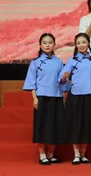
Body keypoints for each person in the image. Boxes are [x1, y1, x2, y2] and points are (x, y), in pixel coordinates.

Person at [24, 33, 65, 165]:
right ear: (40, 45)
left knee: (55, 126)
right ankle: (42, 155)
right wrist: (34, 98)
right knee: (42, 126)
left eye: (50, 43)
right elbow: (31, 82)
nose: (47, 45)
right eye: (45, 43)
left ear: (54, 45)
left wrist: (65, 78)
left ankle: (51, 155)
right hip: (42, 97)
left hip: (56, 97)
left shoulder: (59, 62)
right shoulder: (35, 62)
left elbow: (62, 82)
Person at [61, 33, 91, 165]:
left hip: (89, 95)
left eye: (84, 42)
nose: (81, 45)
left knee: (87, 124)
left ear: (88, 43)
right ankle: (76, 154)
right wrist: (65, 77)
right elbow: (62, 79)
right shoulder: (71, 60)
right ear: (75, 45)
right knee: (76, 125)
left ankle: (83, 154)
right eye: (78, 43)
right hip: (75, 96)